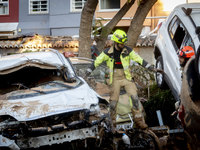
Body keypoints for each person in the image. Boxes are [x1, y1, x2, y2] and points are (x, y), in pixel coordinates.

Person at [85, 29, 162, 130]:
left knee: (134, 98)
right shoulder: (107, 52)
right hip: (115, 79)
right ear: (116, 42)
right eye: (121, 43)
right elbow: (96, 62)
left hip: (127, 78)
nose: (123, 44)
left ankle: (139, 121)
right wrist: (86, 73)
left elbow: (139, 60)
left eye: (124, 42)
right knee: (113, 103)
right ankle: (112, 125)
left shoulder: (128, 51)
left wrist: (152, 68)